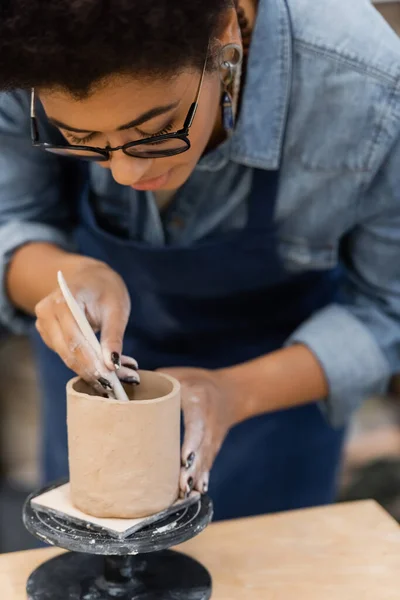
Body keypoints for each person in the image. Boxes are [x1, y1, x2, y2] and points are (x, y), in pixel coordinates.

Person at [0, 0, 400, 522]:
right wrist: (67, 276)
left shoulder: (367, 89)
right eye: (82, 140)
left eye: (155, 130)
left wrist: (234, 393)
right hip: (94, 381)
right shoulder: (29, 56)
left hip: (274, 394)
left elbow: (388, 311)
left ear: (226, 31)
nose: (124, 172)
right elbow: (12, 218)